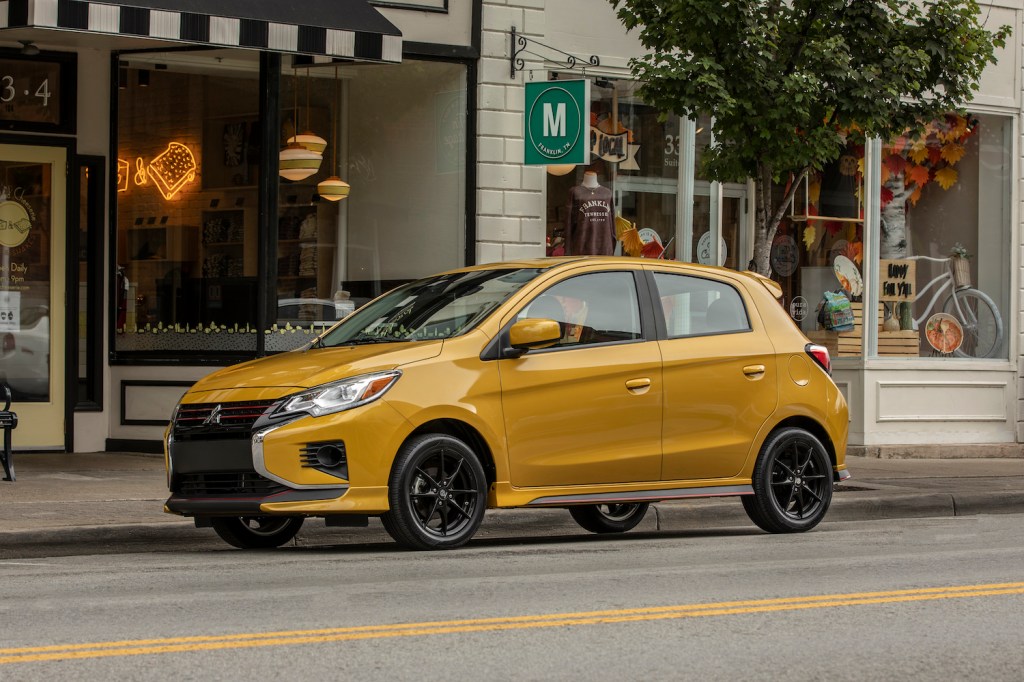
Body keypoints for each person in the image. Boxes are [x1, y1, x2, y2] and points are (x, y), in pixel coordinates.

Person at [565, 170, 615, 255]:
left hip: (604, 248)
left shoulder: (607, 193)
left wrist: (612, 246)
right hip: (582, 247)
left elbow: (612, 225)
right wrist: (568, 251)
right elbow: (569, 223)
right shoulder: (575, 192)